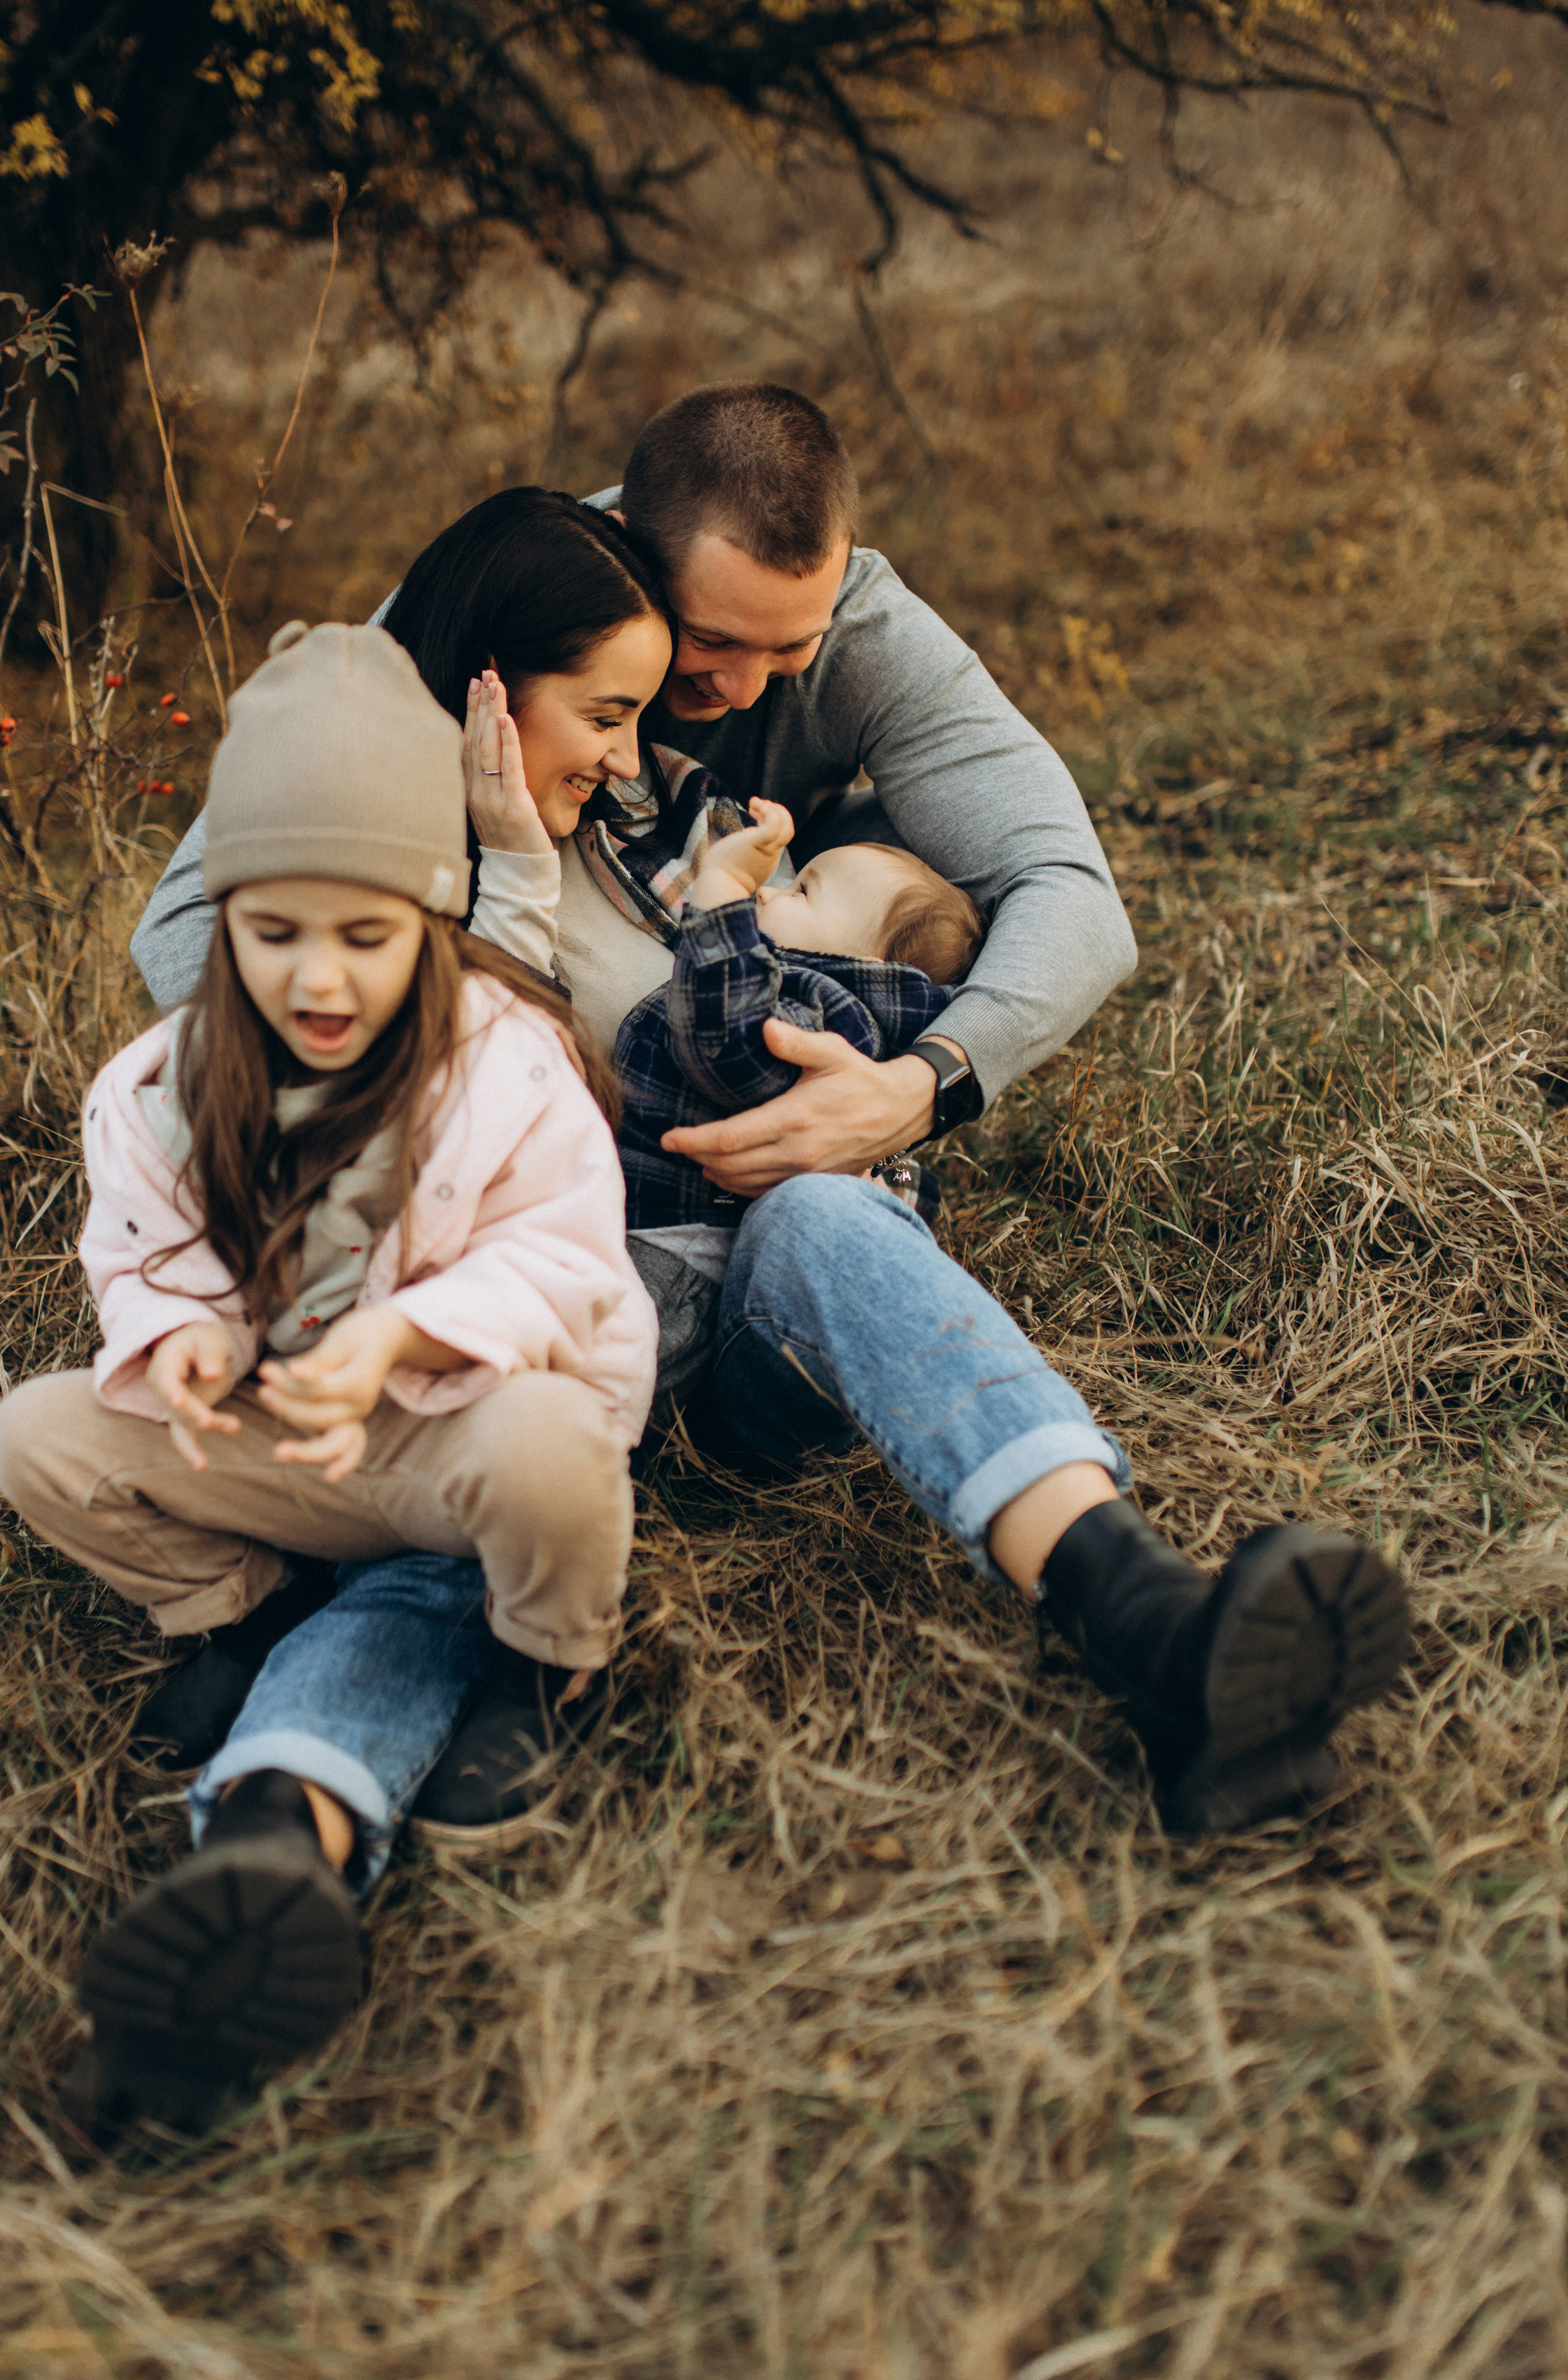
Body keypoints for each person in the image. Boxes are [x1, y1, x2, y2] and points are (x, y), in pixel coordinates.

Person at [132, 409, 1413, 1852]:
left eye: (783, 655)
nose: (734, 693)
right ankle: (274, 1832)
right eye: (689, 659)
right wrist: (355, 1088)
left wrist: (908, 1083)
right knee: (462, 1430)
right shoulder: (454, 726)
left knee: (824, 1214)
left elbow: (1065, 891)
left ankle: (1147, 1620)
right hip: (515, 1312)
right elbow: (203, 925)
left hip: (737, 1296)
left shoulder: (696, 802)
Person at [0, 621, 658, 2139]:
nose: (320, 977)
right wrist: (190, 1342)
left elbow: (569, 1267)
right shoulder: (154, 1089)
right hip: (283, 1458)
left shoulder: (503, 1059)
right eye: (274, 932)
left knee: (554, 1443)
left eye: (364, 936)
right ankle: (241, 1614)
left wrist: (401, 1342)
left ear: (432, 916)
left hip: (449, 1437)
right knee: (39, 1436)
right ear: (224, 920)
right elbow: (137, 1260)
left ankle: (545, 1660)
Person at [602, 788, 982, 1231]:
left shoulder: (824, 1010)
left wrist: (724, 888)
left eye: (801, 891)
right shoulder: (849, 1031)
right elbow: (887, 1158)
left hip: (684, 1240)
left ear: (864, 964)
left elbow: (726, 1041)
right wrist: (908, 1188)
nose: (766, 891)